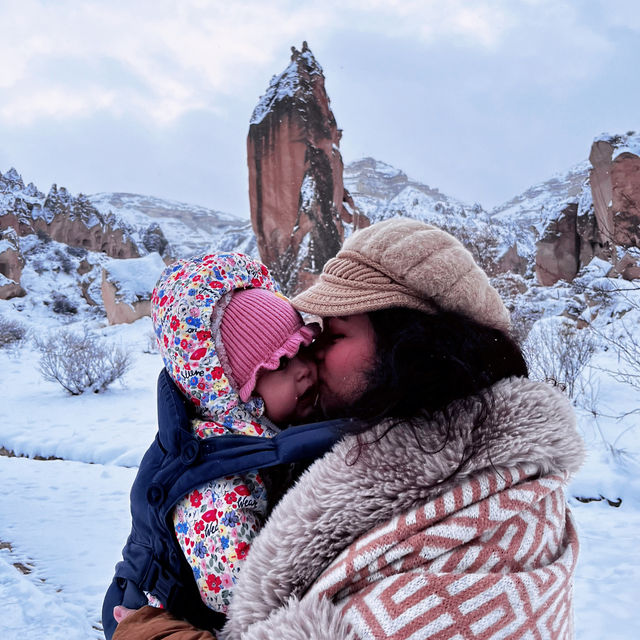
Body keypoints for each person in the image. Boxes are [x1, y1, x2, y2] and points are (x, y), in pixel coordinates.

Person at [112, 218, 585, 640]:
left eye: (331, 336)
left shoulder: (491, 530)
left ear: (414, 351)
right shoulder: (383, 452)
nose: (310, 356)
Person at [103, 251, 338, 639]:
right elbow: (239, 594)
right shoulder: (214, 487)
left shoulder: (264, 431)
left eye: (302, 348)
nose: (303, 369)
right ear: (233, 395)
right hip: (161, 617)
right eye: (278, 364)